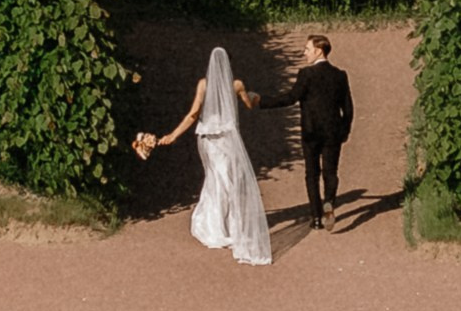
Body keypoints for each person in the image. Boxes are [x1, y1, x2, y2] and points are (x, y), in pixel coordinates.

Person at [135, 45, 272, 266]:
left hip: (208, 140)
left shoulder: (203, 85)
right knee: (227, 180)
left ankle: (216, 226)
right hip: (227, 141)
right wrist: (254, 97)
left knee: (216, 179)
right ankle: (226, 225)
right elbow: (248, 104)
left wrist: (174, 134)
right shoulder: (236, 85)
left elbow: (193, 114)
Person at [266, 32, 356, 232]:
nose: (304, 53)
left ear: (318, 50)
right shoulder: (340, 75)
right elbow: (348, 108)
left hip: (311, 131)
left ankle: (316, 217)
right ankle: (330, 202)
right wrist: (345, 130)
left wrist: (261, 102)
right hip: (333, 131)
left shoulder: (306, 74)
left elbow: (290, 98)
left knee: (312, 174)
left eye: (307, 49)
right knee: (330, 172)